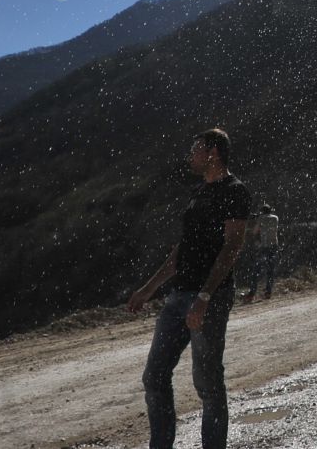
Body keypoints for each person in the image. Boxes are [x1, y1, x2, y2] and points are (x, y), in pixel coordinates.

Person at [127, 128, 251, 449]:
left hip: (209, 297)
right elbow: (182, 249)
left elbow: (232, 247)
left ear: (213, 152)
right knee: (154, 377)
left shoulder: (235, 191)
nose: (191, 155)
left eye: (196, 149)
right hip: (177, 295)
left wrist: (205, 297)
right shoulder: (198, 193)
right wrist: (148, 288)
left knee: (208, 384)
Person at [243, 203, 280, 303]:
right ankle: (268, 292)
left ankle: (251, 294)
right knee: (270, 270)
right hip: (274, 246)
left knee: (256, 270)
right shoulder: (275, 218)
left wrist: (257, 219)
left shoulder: (261, 219)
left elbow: (255, 232)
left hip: (265, 247)